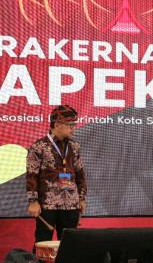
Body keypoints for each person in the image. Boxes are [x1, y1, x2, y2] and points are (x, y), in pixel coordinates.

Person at [26, 105, 87, 247]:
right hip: (47, 203)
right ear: (57, 124)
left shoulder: (74, 146)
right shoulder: (39, 146)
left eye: (74, 125)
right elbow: (31, 175)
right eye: (70, 125)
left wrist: (82, 198)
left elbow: (80, 173)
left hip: (71, 203)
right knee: (43, 242)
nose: (73, 128)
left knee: (70, 245)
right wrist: (33, 201)